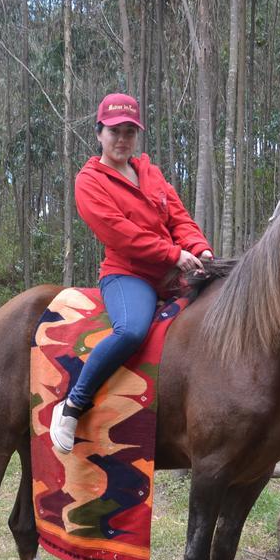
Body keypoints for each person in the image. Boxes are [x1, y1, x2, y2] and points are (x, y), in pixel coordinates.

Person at [49, 93, 214, 453]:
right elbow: (119, 234)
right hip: (129, 275)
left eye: (129, 132)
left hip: (172, 272)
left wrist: (199, 248)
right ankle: (72, 405)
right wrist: (174, 254)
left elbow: (179, 218)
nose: (122, 139)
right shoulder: (90, 182)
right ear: (99, 134)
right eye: (114, 132)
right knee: (131, 331)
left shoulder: (149, 173)